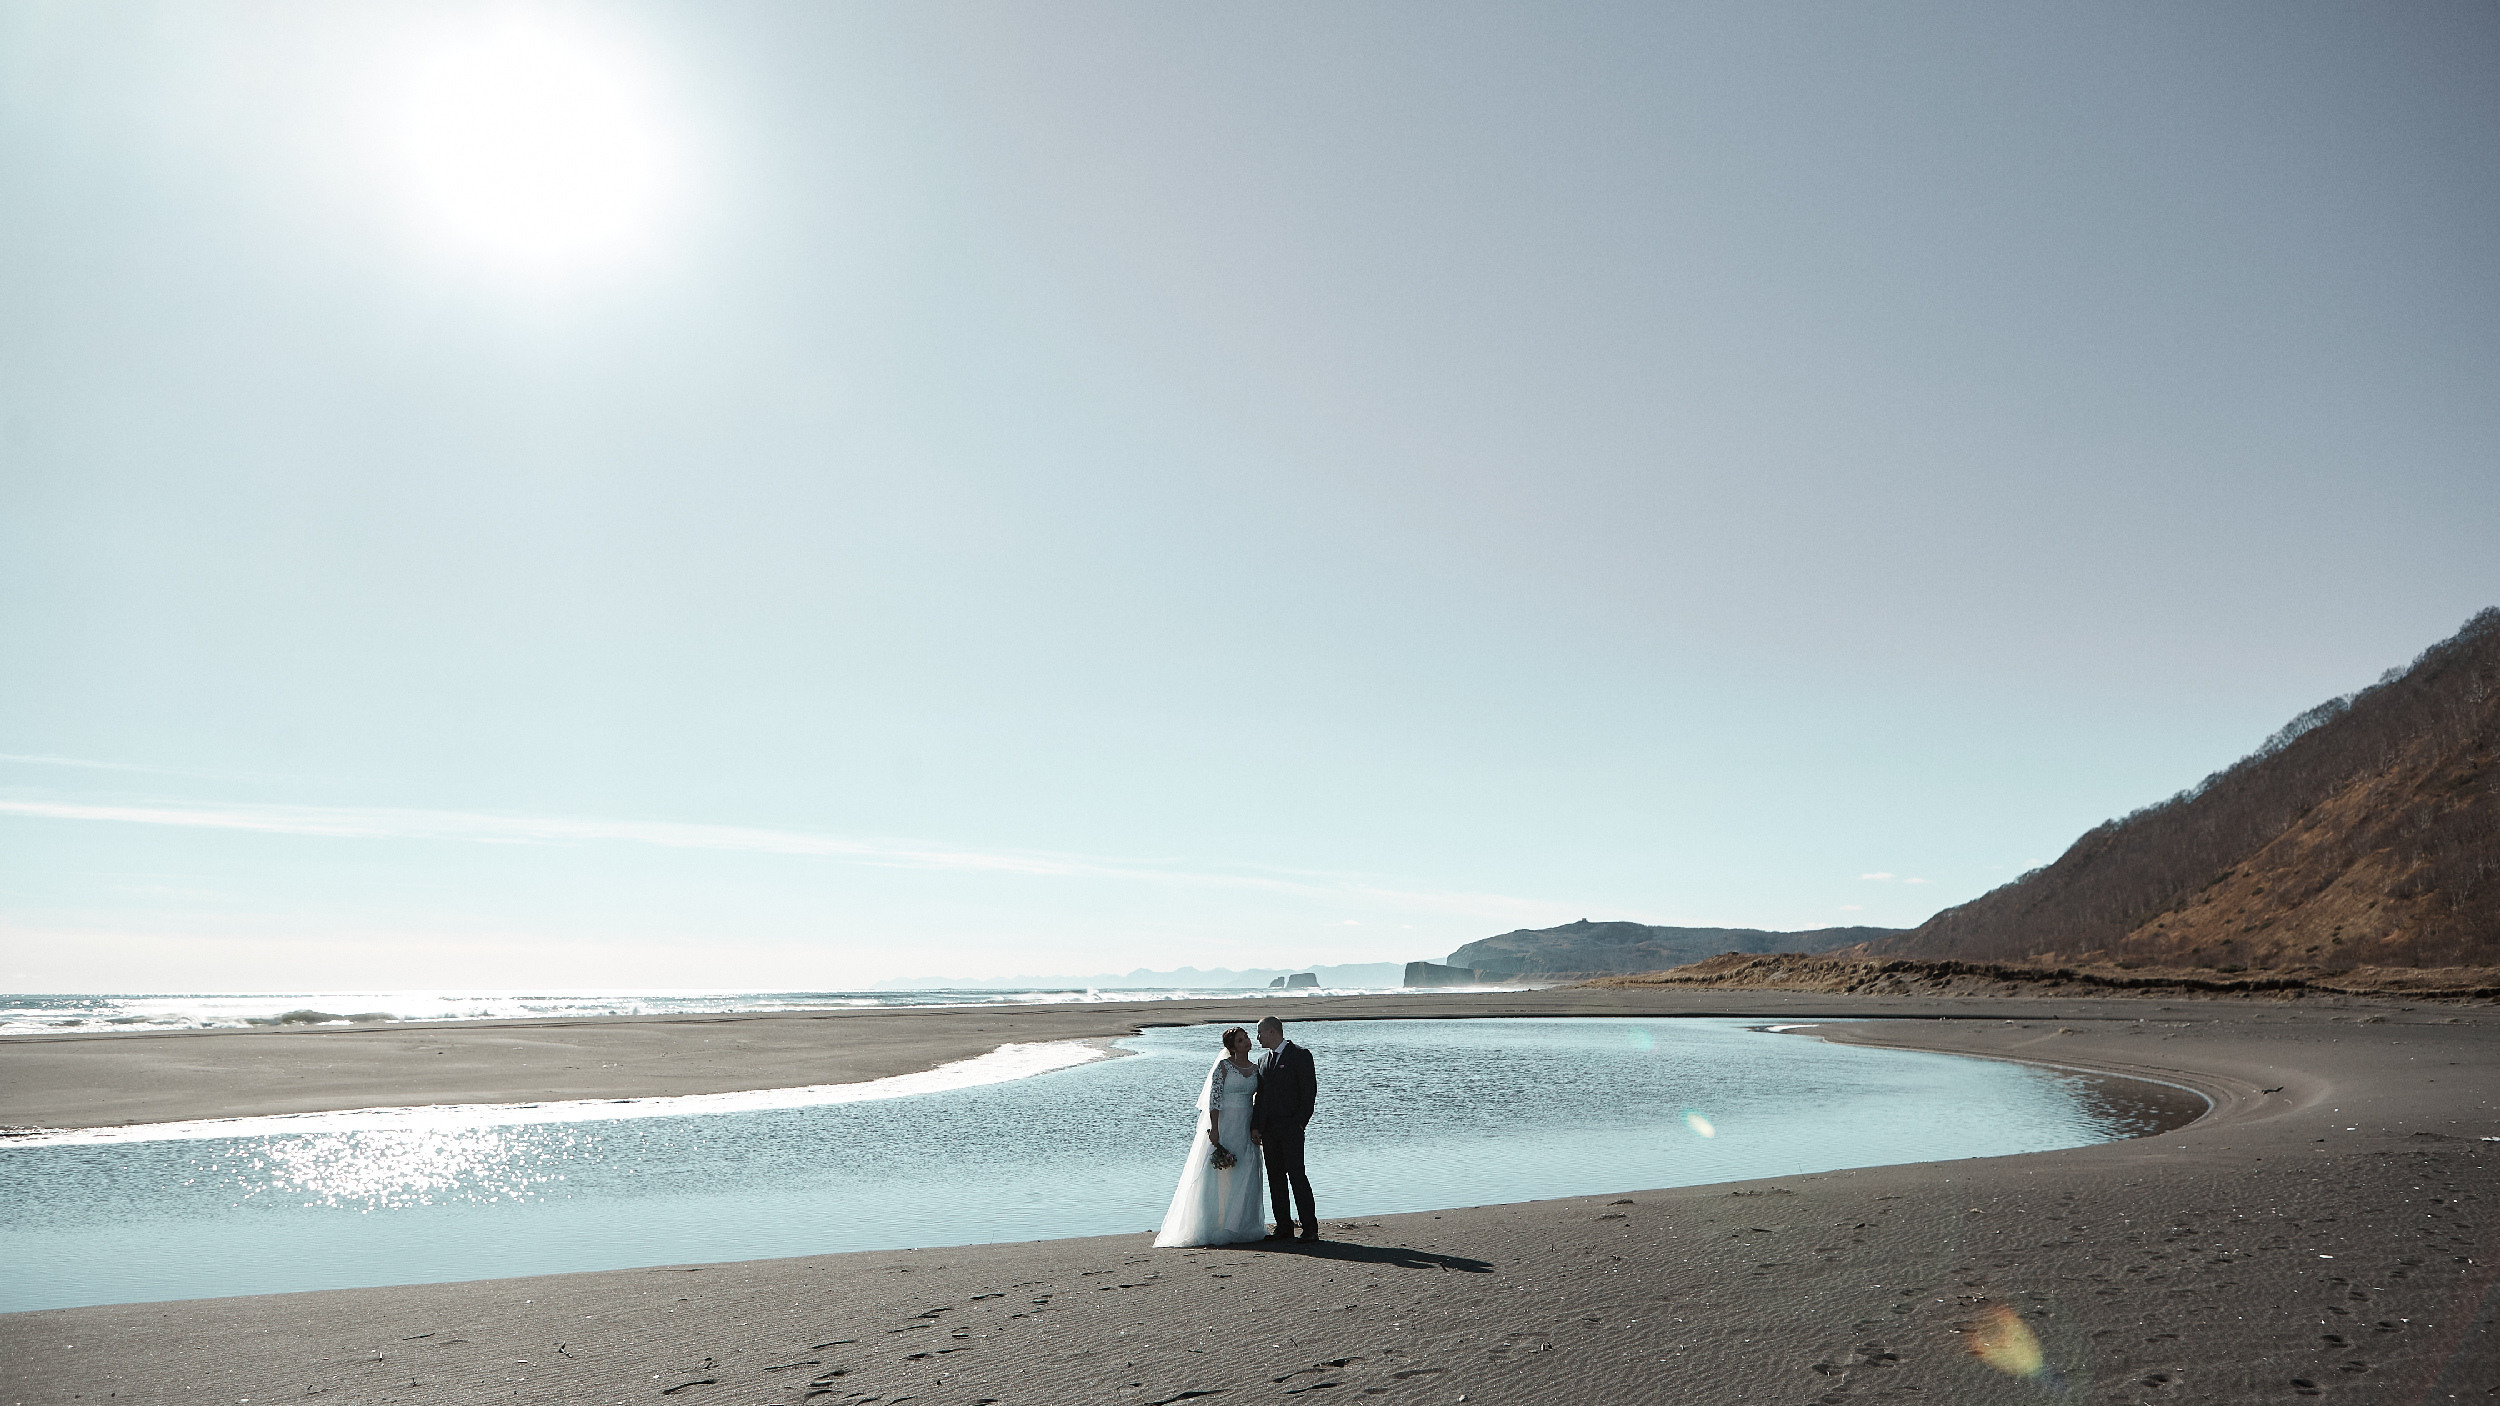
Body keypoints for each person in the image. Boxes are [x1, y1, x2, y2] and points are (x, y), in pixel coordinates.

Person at [1151, 1026, 1268, 1247]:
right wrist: (1215, 1129)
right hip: (1225, 1125)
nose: (1247, 1042)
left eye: (1247, 1038)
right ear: (1232, 1047)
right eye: (1241, 1040)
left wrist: (1257, 1127)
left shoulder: (1256, 1069)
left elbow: (1260, 1100)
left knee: (1246, 1170)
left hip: (1246, 1125)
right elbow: (1214, 1100)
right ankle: (1213, 1224)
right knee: (1217, 1174)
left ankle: (1241, 1225)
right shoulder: (1224, 1067)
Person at [1250, 1014, 1318, 1241]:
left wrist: (1300, 1122)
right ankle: (1284, 1226)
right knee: (1275, 1178)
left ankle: (1309, 1227)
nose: (1257, 1037)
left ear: (1272, 1031)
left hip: (1292, 1127)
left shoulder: (1300, 1055)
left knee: (1297, 1176)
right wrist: (1256, 1126)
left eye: (1260, 1032)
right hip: (1269, 1130)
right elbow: (1259, 1098)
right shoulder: (1262, 1061)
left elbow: (1309, 1093)